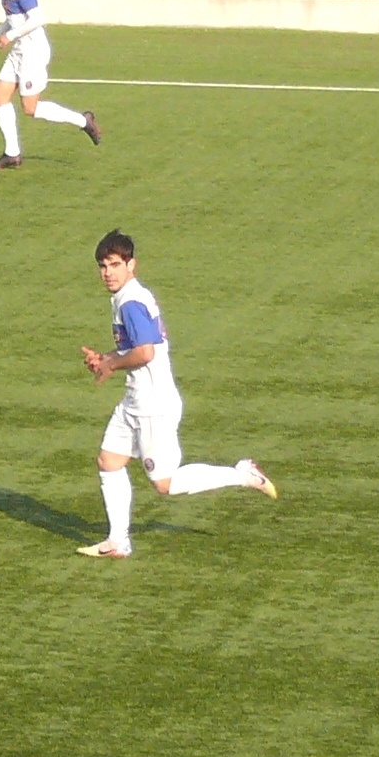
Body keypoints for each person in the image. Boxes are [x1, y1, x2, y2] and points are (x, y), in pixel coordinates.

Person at [76, 231, 276, 559]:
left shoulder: (131, 302)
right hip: (135, 401)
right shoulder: (129, 297)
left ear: (131, 265)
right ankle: (117, 541)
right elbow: (138, 349)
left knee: (165, 484)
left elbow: (145, 353)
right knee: (109, 461)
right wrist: (108, 358)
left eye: (114, 264)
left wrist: (112, 363)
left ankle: (243, 474)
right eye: (103, 266)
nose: (108, 272)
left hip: (153, 406)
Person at [0, 0, 101, 169]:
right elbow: (14, 18)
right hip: (19, 50)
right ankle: (12, 154)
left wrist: (10, 36)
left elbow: (37, 19)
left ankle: (84, 121)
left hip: (32, 52)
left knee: (30, 108)